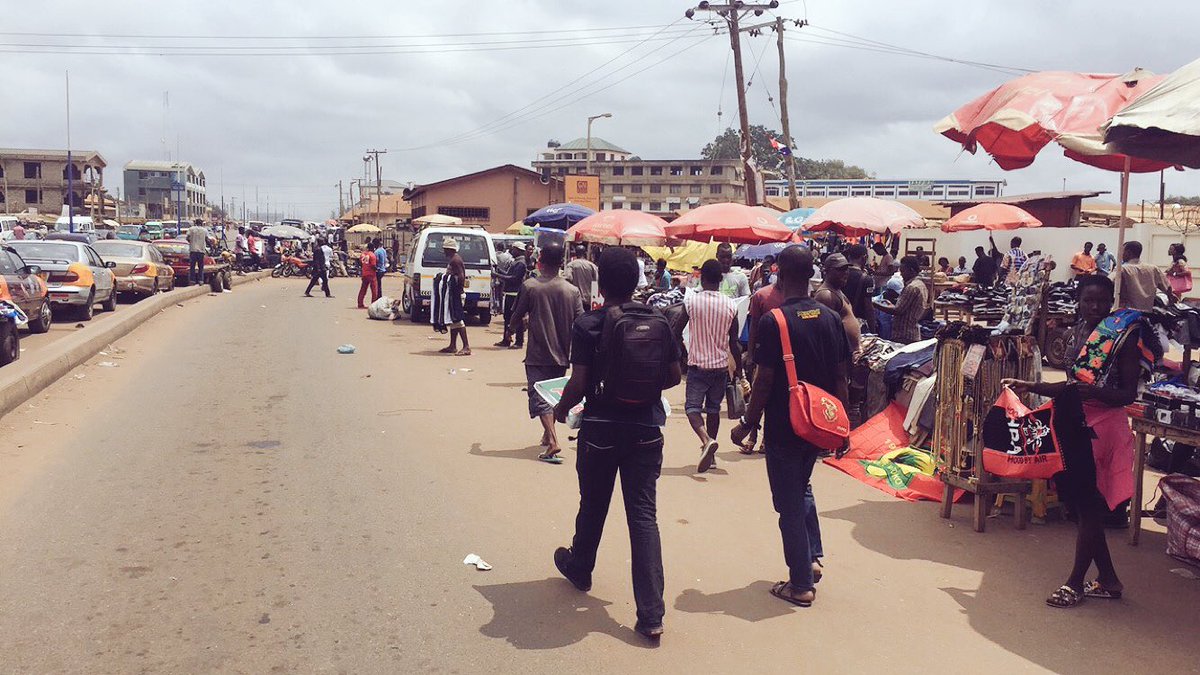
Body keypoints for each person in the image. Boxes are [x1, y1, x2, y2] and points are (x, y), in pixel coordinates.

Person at [1002, 275, 1158, 609]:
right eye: (1089, 301)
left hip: (1103, 430)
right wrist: (1030, 386)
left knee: (1089, 507)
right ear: (1080, 300)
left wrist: (1095, 392)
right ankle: (1109, 579)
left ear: (1111, 302)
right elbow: (1072, 387)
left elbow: (1127, 394)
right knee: (1079, 507)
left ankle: (1074, 583)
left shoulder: (1122, 338)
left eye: (1102, 301)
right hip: (1075, 421)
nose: (1096, 307)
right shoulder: (1076, 333)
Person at [551, 247, 682, 641]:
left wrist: (560, 409)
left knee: (593, 504)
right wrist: (642, 388)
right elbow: (675, 376)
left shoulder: (588, 324)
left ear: (601, 284)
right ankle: (652, 614)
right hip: (646, 432)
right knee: (643, 517)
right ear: (637, 281)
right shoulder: (659, 321)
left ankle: (581, 567)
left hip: (601, 430)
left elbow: (577, 382)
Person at [731, 245, 849, 609]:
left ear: (779, 275)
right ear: (811, 273)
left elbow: (764, 380)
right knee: (802, 486)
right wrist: (844, 427)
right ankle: (810, 558)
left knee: (789, 504)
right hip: (820, 423)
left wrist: (747, 424)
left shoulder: (775, 321)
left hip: (785, 426)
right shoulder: (830, 317)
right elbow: (842, 376)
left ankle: (800, 583)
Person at [507, 243, 584, 462]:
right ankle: (547, 433)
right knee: (551, 395)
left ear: (540, 260)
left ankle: (552, 441)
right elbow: (581, 323)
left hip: (538, 352)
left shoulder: (530, 286)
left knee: (539, 395)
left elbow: (517, 314)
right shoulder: (572, 290)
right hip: (562, 352)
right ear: (561, 262)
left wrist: (511, 330)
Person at [683, 259, 742, 473]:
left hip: (698, 366)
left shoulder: (691, 302)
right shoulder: (731, 305)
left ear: (702, 277)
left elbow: (676, 328)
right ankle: (712, 455)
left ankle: (706, 440)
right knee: (714, 410)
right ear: (720, 279)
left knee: (692, 408)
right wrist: (740, 372)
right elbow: (734, 342)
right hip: (720, 366)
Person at [814, 253, 862, 353]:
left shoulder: (836, 289)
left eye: (846, 269)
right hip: (841, 356)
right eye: (840, 270)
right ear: (827, 271)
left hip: (850, 353)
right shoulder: (826, 295)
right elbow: (827, 335)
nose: (846, 273)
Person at [874, 256, 926, 344]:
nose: (901, 274)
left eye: (903, 271)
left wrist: (874, 304)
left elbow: (897, 310)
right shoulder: (920, 284)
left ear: (911, 270)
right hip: (912, 332)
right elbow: (905, 308)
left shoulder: (911, 288)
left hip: (904, 334)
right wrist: (889, 304)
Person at [1118, 240, 1174, 311]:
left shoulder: (1122, 269)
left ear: (1128, 253)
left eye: (1122, 251)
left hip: (1126, 314)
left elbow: (1108, 282)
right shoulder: (1153, 268)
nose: (1121, 254)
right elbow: (1168, 287)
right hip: (1147, 313)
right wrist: (1170, 302)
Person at [438, 239, 471, 356]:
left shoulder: (455, 260)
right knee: (453, 320)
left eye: (445, 250)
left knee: (458, 319)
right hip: (453, 293)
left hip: (456, 294)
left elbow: (461, 277)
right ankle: (452, 345)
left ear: (449, 249)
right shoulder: (453, 259)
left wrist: (451, 283)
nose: (444, 252)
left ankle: (466, 346)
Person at [493, 243, 528, 349]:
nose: (511, 251)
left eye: (513, 249)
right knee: (507, 317)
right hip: (510, 293)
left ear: (518, 250)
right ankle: (506, 339)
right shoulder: (516, 262)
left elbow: (514, 278)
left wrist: (498, 275)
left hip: (515, 294)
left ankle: (519, 341)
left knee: (516, 317)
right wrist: (499, 271)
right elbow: (509, 275)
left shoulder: (521, 263)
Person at [842, 245, 875, 332]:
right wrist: (873, 330)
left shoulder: (840, 274)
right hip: (857, 324)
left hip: (839, 321)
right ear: (864, 257)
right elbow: (868, 307)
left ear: (849, 257)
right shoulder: (866, 279)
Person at [357, 240, 379, 309]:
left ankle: (360, 303)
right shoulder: (372, 255)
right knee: (374, 290)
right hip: (371, 275)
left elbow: (360, 263)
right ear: (373, 248)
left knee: (363, 289)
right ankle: (373, 305)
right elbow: (373, 265)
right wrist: (377, 269)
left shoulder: (363, 254)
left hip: (364, 274)